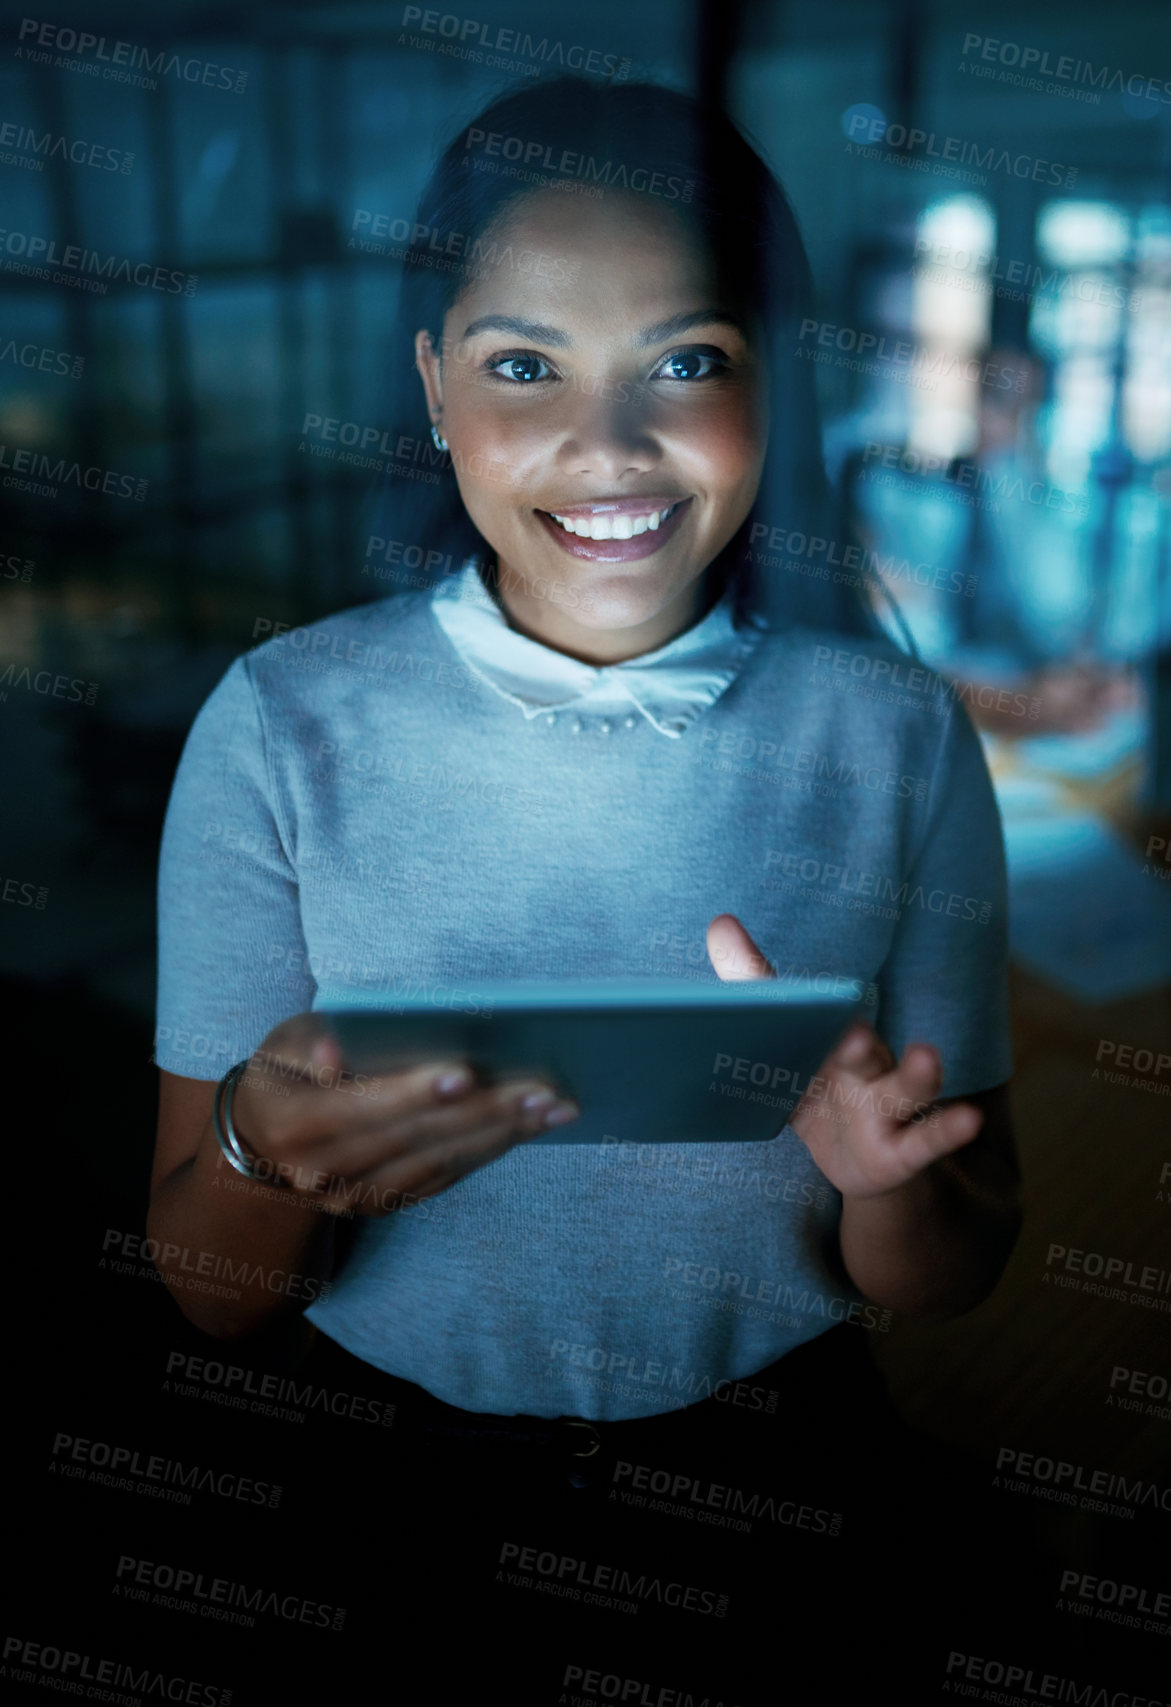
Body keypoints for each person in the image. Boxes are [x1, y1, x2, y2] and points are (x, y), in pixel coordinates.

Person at [147, 76, 1023, 1686]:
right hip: (382, 1481)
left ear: (779, 382)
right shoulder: (276, 728)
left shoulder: (901, 738)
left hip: (784, 1466)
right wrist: (258, 1153)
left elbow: (959, 1269)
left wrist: (891, 1183)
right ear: (429, 388)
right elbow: (208, 1301)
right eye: (522, 367)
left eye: (686, 363)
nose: (605, 446)